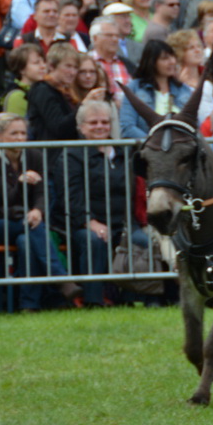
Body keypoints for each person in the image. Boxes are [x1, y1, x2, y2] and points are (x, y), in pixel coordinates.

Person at [0, 113, 77, 310]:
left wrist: (38, 210)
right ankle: (61, 278)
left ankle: (28, 304)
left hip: (27, 222)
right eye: (13, 134)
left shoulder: (35, 155)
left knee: (26, 240)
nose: (19, 138)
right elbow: (5, 199)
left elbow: (43, 192)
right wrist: (20, 183)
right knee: (30, 226)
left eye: (23, 133)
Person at [52, 100, 137, 307]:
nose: (100, 126)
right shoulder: (71, 154)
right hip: (79, 223)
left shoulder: (122, 152)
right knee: (95, 240)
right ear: (81, 127)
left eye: (104, 122)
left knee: (143, 240)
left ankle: (144, 298)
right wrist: (89, 221)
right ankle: (94, 300)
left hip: (122, 220)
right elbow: (70, 196)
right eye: (93, 122)